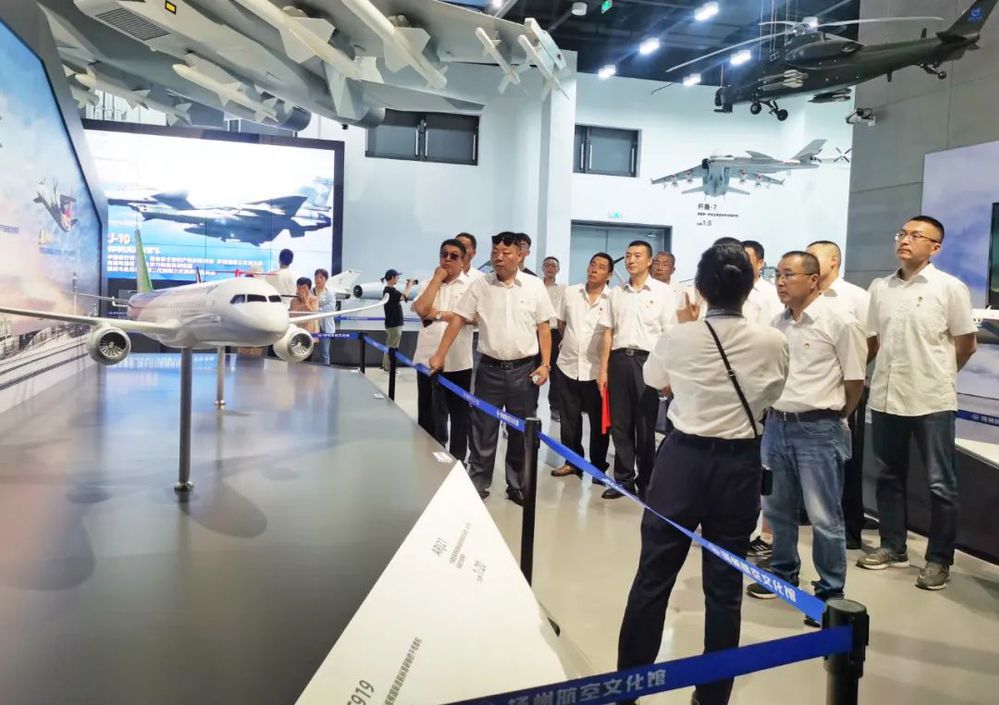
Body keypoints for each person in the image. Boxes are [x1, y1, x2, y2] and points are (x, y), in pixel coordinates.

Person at [618, 243, 789, 705]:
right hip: (739, 465)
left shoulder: (680, 337)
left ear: (700, 287)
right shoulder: (773, 341)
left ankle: (628, 689)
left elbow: (654, 380)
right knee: (725, 587)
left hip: (683, 462)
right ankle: (712, 697)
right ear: (750, 286)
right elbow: (773, 393)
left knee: (653, 577)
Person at [745, 252, 866, 627]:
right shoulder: (777, 323)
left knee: (823, 515)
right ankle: (783, 575)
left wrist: (835, 417)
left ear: (813, 280)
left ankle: (831, 592)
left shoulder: (840, 321)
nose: (780, 282)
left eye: (789, 275)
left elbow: (855, 381)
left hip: (819, 428)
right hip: (777, 424)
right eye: (777, 274)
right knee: (777, 509)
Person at [858, 215, 977, 591]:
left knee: (941, 484)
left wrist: (940, 375)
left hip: (931, 399)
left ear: (935, 247)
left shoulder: (950, 288)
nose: (905, 240)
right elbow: (873, 340)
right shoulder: (881, 287)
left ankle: (939, 560)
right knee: (888, 476)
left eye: (915, 235)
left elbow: (966, 343)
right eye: (902, 234)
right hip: (887, 396)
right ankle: (893, 546)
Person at [428, 232, 554, 505]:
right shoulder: (480, 285)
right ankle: (479, 481)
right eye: (495, 251)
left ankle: (517, 484)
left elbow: (544, 327)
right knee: (482, 429)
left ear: (520, 255)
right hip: (489, 370)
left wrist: (545, 365)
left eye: (506, 252)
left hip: (524, 371)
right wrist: (439, 354)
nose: (498, 257)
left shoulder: (534, 286)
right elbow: (458, 320)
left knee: (520, 431)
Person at [806, 240, 873, 549]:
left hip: (844, 389)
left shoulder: (856, 297)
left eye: (814, 256)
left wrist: (849, 370)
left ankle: (850, 527)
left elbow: (871, 342)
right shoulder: (806, 295)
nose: (808, 261)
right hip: (809, 392)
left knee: (846, 458)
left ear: (834, 260)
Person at [598, 241, 677, 499]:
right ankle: (623, 481)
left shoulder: (664, 293)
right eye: (628, 255)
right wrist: (603, 369)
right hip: (619, 361)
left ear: (649, 261)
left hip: (648, 362)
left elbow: (670, 335)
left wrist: (668, 372)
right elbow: (608, 332)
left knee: (645, 426)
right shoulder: (616, 293)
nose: (631, 260)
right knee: (620, 425)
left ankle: (647, 482)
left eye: (637, 255)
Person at [551, 253, 613, 479]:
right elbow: (561, 323)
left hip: (596, 371)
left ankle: (598, 467)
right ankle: (572, 462)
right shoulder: (571, 292)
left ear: (609, 274)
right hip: (567, 366)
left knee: (598, 423)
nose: (594, 269)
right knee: (569, 420)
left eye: (601, 267)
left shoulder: (612, 298)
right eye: (592, 264)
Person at [411, 239, 473, 461]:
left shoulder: (471, 286)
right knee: (428, 413)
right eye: (443, 254)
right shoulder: (429, 282)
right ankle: (428, 458)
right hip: (426, 359)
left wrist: (437, 314)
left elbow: (473, 317)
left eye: (454, 256)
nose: (447, 259)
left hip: (458, 361)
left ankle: (457, 460)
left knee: (459, 416)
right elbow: (420, 309)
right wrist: (437, 279)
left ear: (463, 260)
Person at [542, 256, 566, 422]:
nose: (550, 268)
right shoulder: (536, 286)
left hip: (555, 333)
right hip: (536, 332)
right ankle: (530, 407)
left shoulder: (564, 289)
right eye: (547, 265)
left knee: (556, 374)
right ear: (543, 268)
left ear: (558, 270)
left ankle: (555, 408)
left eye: (553, 266)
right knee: (532, 369)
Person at [742, 240, 784, 325]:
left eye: (745, 260)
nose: (741, 265)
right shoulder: (728, 292)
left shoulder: (772, 293)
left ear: (760, 263)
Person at [381, 269, 414, 371]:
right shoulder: (391, 291)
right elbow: (404, 297)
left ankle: (387, 365)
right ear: (392, 278)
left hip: (392, 323)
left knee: (391, 345)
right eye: (397, 277)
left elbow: (400, 297)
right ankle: (389, 367)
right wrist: (410, 285)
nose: (398, 278)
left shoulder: (388, 290)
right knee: (392, 346)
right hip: (394, 324)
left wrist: (407, 286)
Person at [311, 269, 335, 365]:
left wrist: (316, 309)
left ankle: (325, 372)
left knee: (324, 352)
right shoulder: (310, 291)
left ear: (326, 279)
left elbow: (331, 308)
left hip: (326, 326)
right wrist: (319, 309)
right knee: (309, 351)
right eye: (316, 277)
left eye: (321, 277)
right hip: (312, 326)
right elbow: (309, 308)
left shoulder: (330, 292)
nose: (318, 279)